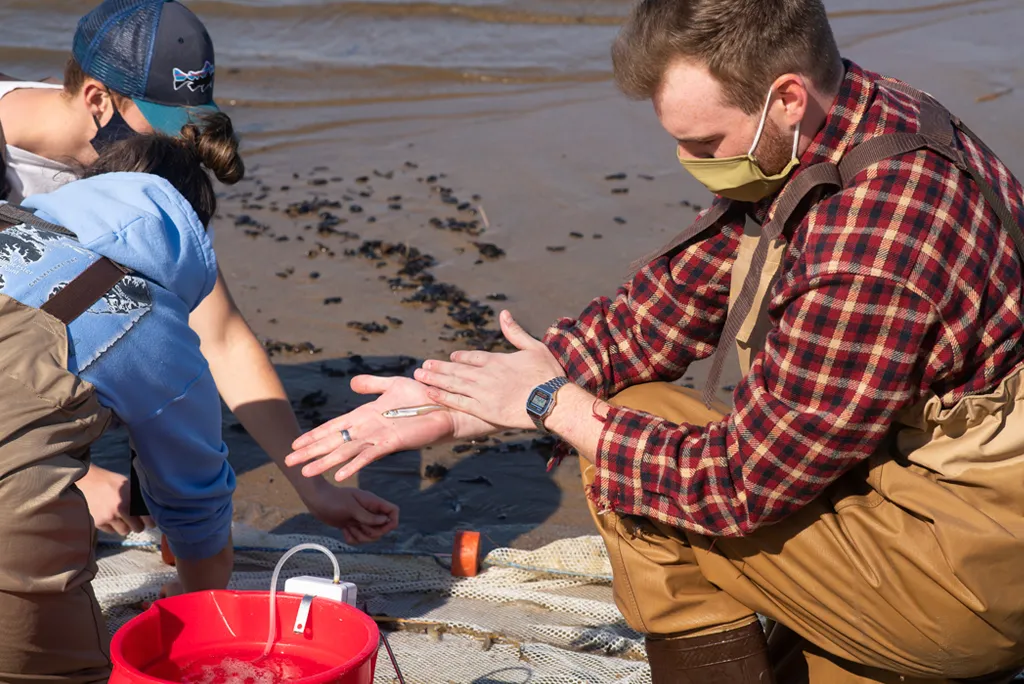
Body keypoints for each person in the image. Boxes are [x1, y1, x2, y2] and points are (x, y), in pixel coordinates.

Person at [284, 0, 1024, 681]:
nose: (692, 164)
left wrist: (554, 405)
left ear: (787, 95)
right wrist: (460, 404)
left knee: (629, 456)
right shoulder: (850, 118)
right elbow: (665, 309)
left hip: (973, 573)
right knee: (629, 413)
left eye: (705, 142)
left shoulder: (872, 244)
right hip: (925, 505)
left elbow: (738, 485)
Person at [0, 128, 398, 683]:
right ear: (189, 235)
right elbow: (197, 507)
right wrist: (196, 600)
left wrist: (82, 478)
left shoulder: (9, 223)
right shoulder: (144, 318)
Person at [0, 0, 392, 539]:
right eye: (162, 126)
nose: (179, 144)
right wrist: (77, 478)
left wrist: (314, 486)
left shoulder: (144, 171)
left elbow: (222, 335)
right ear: (97, 99)